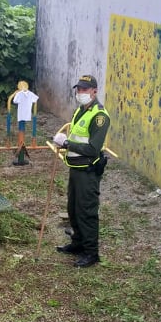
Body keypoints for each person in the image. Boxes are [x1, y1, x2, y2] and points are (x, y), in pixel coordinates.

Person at [53, 74, 111, 268]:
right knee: (73, 208)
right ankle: (77, 243)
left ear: (94, 91)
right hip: (75, 167)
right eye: (78, 89)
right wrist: (64, 142)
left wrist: (67, 143)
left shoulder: (100, 116)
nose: (80, 92)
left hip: (88, 169)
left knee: (87, 211)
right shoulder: (80, 110)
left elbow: (93, 148)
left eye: (84, 89)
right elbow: (77, 136)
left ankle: (91, 252)